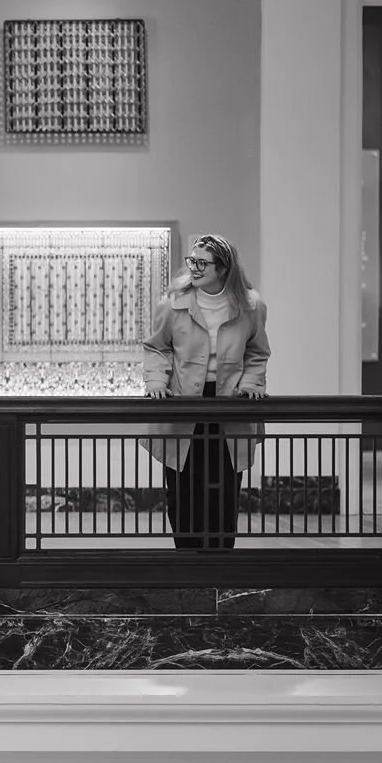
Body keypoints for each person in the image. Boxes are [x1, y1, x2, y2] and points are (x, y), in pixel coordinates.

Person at [142, 233, 270, 550]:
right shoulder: (172, 303)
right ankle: (186, 554)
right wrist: (157, 382)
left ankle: (220, 556)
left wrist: (252, 383)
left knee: (225, 484)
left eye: (203, 263)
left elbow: (257, 352)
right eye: (193, 261)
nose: (195, 268)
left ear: (224, 268)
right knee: (183, 483)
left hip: (230, 406)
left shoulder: (251, 306)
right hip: (184, 404)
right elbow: (156, 348)